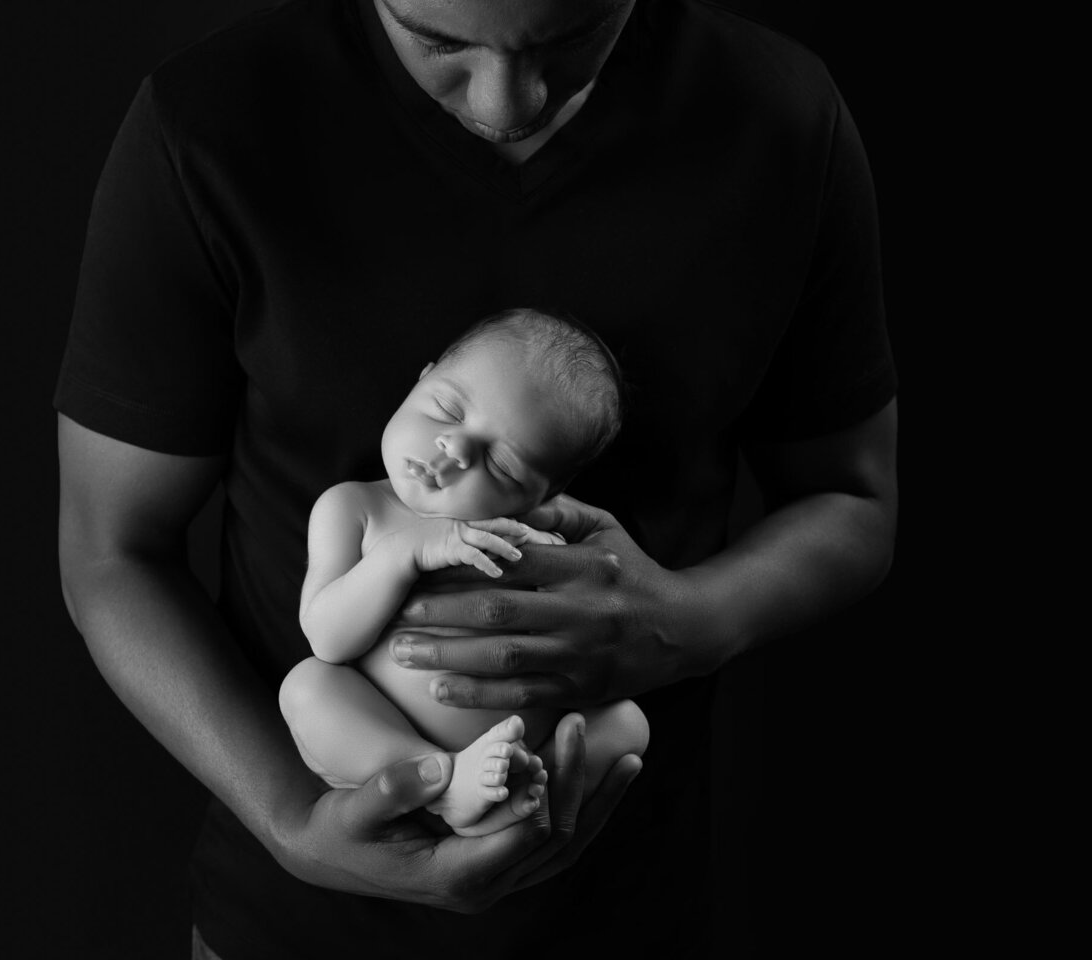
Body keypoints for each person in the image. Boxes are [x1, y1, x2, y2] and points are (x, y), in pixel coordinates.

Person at [55, 1, 898, 956]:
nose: (507, 104)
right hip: (295, 927)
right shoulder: (210, 122)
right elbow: (110, 548)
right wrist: (296, 825)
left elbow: (855, 499)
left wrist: (684, 620)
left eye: (570, 40)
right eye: (439, 42)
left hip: (623, 908)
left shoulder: (779, 119)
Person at [281, 308, 649, 837]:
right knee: (306, 688)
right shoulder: (354, 509)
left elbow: (579, 640)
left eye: (500, 466)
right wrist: (401, 555)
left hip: (523, 736)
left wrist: (551, 567)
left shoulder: (522, 536)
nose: (453, 449)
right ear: (421, 377)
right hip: (389, 735)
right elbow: (327, 639)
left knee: (629, 723)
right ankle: (443, 784)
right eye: (447, 409)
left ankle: (524, 794)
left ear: (541, 497)